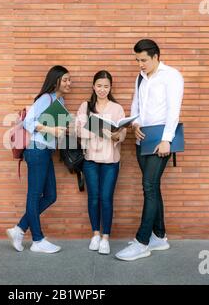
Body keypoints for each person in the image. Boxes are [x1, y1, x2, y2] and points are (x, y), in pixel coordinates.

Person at [115, 39, 184, 261]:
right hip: (141, 139)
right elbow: (136, 104)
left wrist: (167, 141)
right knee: (152, 187)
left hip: (160, 141)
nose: (140, 64)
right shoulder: (140, 78)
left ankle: (142, 241)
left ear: (156, 57)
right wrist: (134, 124)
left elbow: (174, 110)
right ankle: (160, 237)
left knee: (149, 187)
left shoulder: (171, 76)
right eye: (137, 60)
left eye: (143, 60)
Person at [6, 65, 71, 253]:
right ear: (56, 80)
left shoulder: (61, 102)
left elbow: (53, 128)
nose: (69, 83)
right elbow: (29, 122)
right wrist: (52, 129)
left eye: (70, 80)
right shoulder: (46, 98)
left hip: (45, 151)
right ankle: (37, 240)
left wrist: (64, 130)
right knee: (34, 195)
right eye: (65, 80)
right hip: (36, 150)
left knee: (51, 195)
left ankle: (19, 229)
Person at [75, 70, 127, 255]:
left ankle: (106, 237)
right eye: (99, 86)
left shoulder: (117, 108)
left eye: (106, 86)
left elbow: (122, 133)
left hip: (111, 160)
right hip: (90, 160)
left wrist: (116, 136)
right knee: (93, 198)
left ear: (110, 87)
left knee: (106, 199)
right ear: (93, 86)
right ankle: (95, 234)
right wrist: (98, 130)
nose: (102, 90)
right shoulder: (85, 106)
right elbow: (78, 131)